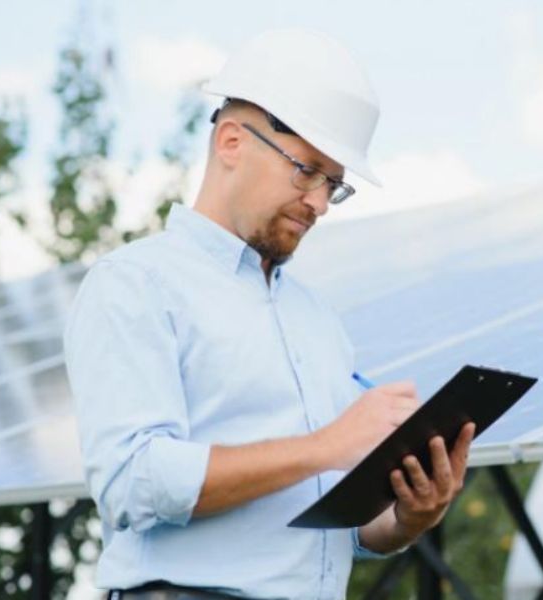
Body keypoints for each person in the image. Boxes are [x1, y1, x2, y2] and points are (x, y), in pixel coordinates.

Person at [63, 29, 476, 600]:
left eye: (335, 184)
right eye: (306, 170)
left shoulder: (317, 322)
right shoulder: (136, 285)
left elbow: (342, 530)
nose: (319, 203)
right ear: (232, 142)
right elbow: (131, 482)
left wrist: (410, 519)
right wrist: (327, 445)